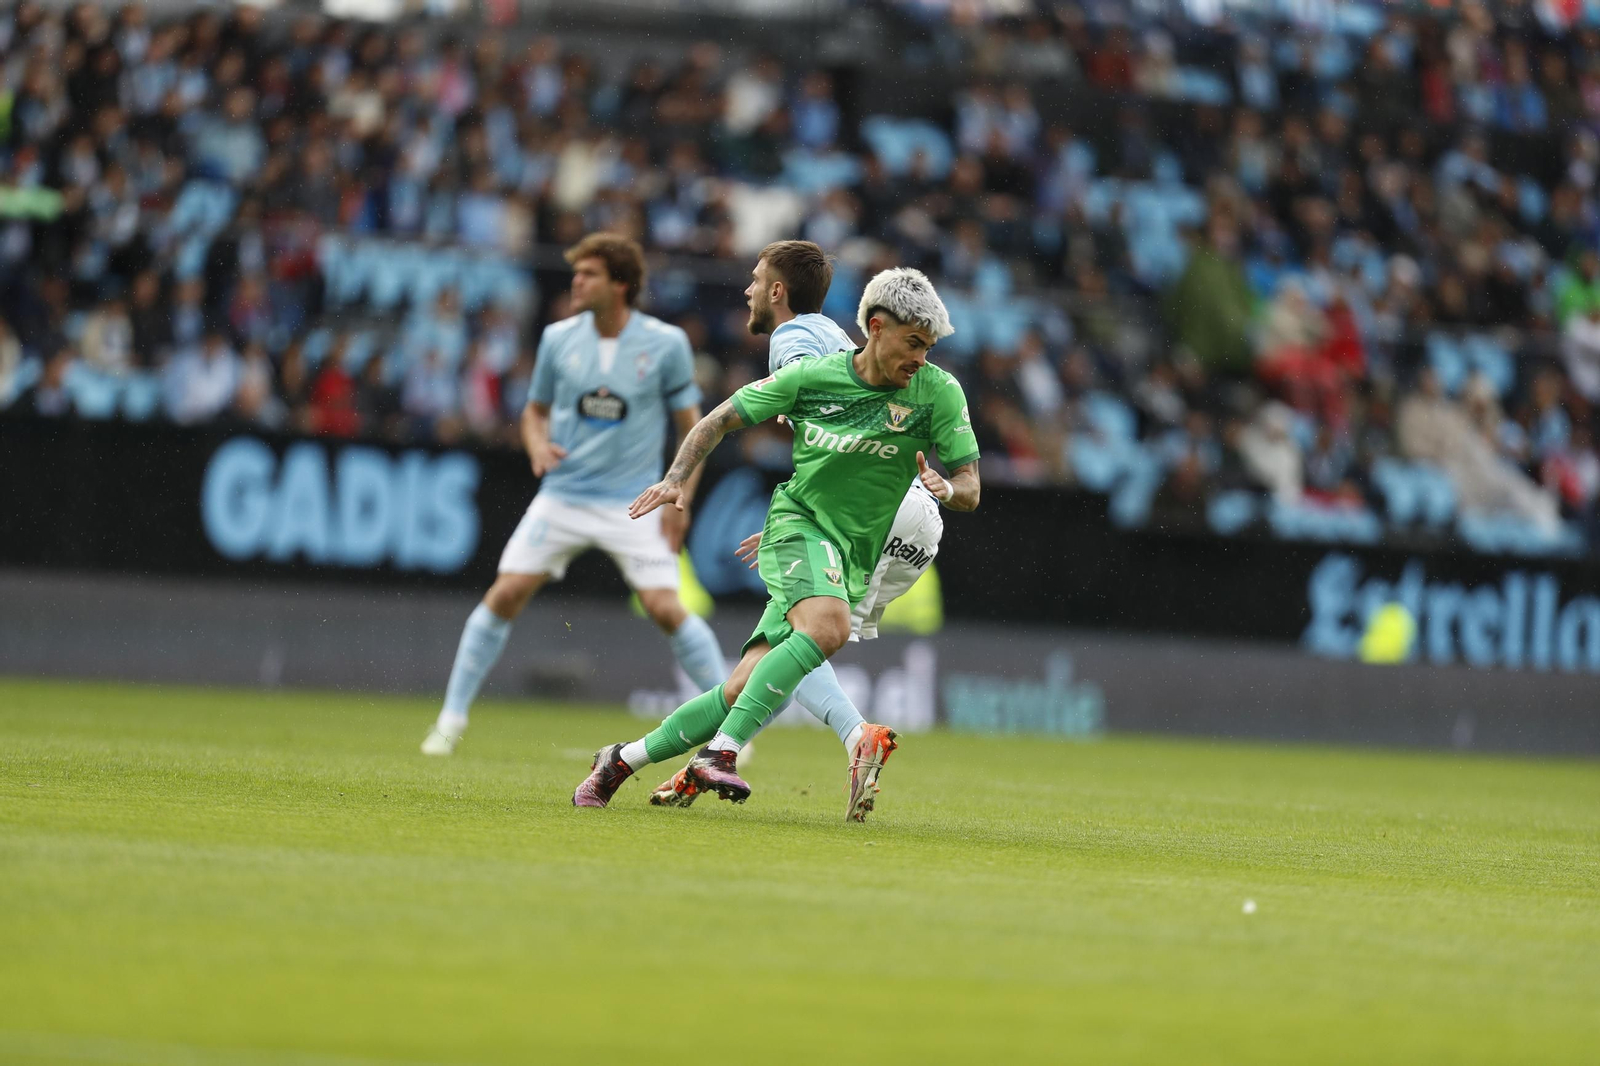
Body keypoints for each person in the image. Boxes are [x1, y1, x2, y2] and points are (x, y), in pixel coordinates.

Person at [573, 267, 981, 821]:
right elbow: (717, 421)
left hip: (854, 551)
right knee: (829, 627)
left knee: (741, 687)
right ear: (876, 327)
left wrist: (947, 488)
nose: (921, 358)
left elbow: (970, 487)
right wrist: (674, 480)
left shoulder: (939, 392)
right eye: (913, 343)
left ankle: (619, 761)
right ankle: (721, 753)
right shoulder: (810, 374)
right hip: (798, 525)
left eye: (928, 347)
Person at [420, 234, 726, 754]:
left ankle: (730, 723)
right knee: (505, 593)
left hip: (633, 503)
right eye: (576, 272)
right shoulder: (557, 338)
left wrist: (682, 499)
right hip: (563, 496)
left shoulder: (666, 343)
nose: (576, 282)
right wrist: (537, 444)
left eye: (588, 274)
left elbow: (692, 427)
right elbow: (534, 411)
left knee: (664, 607)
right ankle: (449, 721)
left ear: (621, 284)